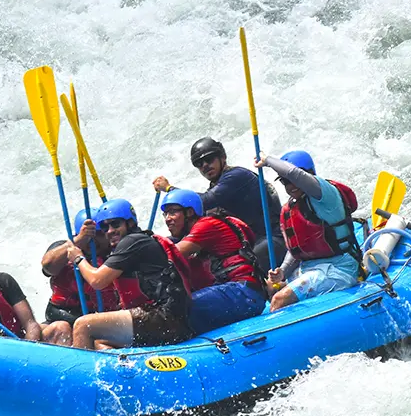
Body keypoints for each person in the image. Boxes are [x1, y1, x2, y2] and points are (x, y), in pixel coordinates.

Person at [64, 199, 192, 350]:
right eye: (105, 227)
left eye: (115, 224)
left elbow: (97, 280)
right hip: (167, 319)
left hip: (164, 317)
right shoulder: (130, 243)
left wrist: (78, 258)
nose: (110, 231)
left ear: (130, 223)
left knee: (84, 324)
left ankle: (81, 372)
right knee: (100, 341)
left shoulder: (133, 241)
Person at [152, 136, 285, 270]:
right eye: (199, 163)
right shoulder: (216, 186)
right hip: (250, 242)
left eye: (209, 159)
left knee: (241, 264)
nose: (205, 165)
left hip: (271, 238)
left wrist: (169, 189)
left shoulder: (236, 176)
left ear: (222, 157)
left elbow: (203, 201)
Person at [253, 150, 362, 311]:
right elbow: (298, 247)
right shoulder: (291, 207)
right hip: (309, 269)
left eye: (292, 180)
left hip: (339, 269)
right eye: (285, 182)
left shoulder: (324, 194)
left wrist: (267, 160)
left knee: (279, 299)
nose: (290, 186)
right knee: (270, 287)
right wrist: (282, 271)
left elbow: (293, 173)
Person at [160, 188, 268, 334]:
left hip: (243, 293)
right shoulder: (192, 236)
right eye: (165, 214)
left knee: (181, 308)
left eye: (173, 212)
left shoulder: (207, 225)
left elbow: (171, 255)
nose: (167, 218)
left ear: (189, 213)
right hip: (231, 293)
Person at [40, 209, 119, 325]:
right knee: (56, 328)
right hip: (63, 314)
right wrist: (78, 241)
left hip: (104, 318)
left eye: (99, 235)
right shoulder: (65, 248)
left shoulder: (116, 252)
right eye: (89, 236)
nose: (93, 241)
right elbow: (48, 266)